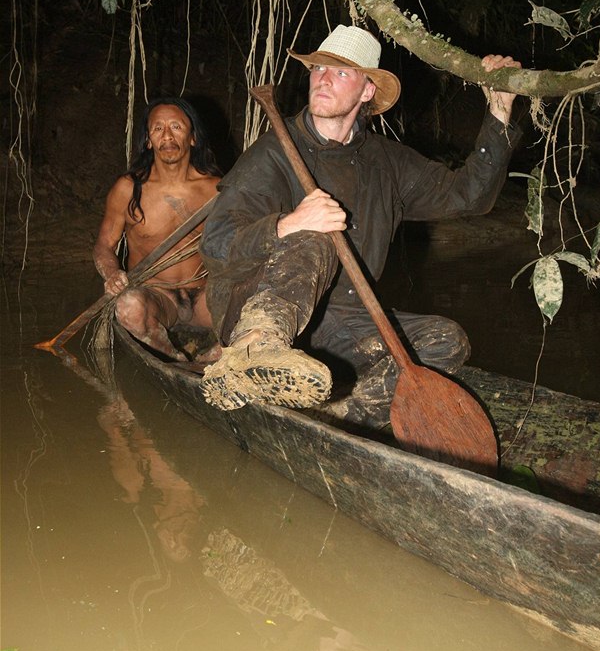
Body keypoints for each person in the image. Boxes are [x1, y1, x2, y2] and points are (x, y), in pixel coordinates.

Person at [199, 25, 522, 416]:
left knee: (445, 340)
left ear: (368, 91)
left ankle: (346, 418)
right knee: (312, 236)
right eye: (318, 70)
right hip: (256, 307)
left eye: (340, 73)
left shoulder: (387, 162)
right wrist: (288, 223)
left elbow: (470, 197)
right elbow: (216, 242)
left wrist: (499, 112)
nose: (322, 80)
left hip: (344, 321)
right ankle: (256, 352)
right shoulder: (275, 151)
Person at [94, 97, 221, 362]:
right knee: (128, 306)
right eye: (157, 128)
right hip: (159, 299)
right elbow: (104, 245)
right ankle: (175, 360)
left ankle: (216, 358)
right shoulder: (128, 190)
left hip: (205, 298)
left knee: (252, 298)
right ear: (148, 141)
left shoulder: (215, 189)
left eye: (176, 126)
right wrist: (111, 273)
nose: (167, 136)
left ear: (193, 137)